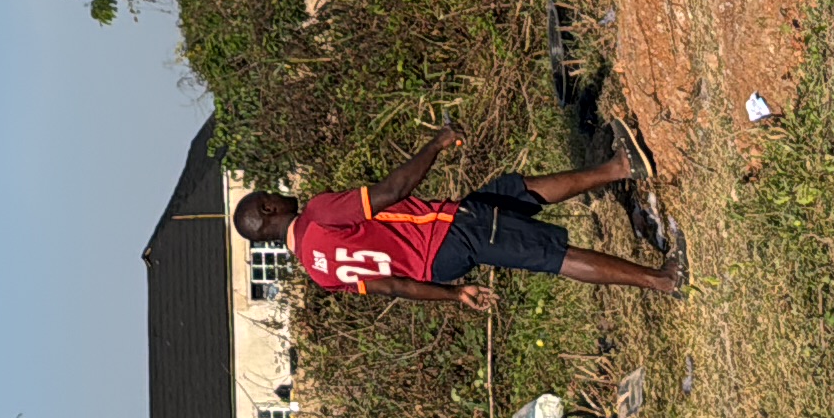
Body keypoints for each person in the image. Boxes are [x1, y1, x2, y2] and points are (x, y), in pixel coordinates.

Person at [229, 124, 678, 304]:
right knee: (549, 255)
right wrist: (437, 143)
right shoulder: (317, 214)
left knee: (513, 192)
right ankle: (661, 279)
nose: (282, 193)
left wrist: (452, 293)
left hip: (442, 256)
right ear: (269, 210)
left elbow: (393, 286)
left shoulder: (317, 272)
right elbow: (392, 190)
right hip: (448, 234)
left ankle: (618, 166)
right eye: (272, 194)